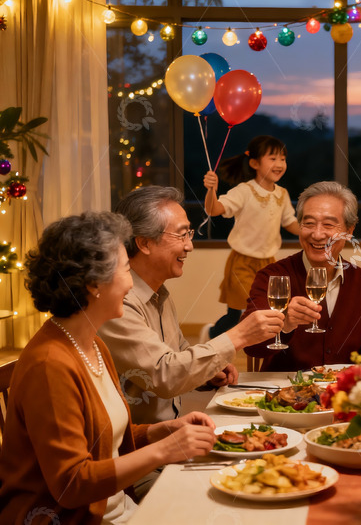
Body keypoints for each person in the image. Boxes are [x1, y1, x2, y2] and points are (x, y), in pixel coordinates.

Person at [0, 212, 217, 525]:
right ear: (93, 284)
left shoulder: (92, 343)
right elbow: (72, 485)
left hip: (117, 509)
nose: (132, 283)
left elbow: (105, 440)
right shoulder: (50, 365)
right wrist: (164, 451)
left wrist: (162, 431)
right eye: (126, 269)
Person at [97, 187, 283, 495]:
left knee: (260, 469)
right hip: (135, 462)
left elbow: (180, 353)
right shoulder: (120, 304)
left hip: (168, 442)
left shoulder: (159, 293)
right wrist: (237, 336)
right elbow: (165, 374)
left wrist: (209, 374)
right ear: (143, 243)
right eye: (181, 235)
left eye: (190, 234)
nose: (190, 246)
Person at [244, 181, 361, 371]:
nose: (317, 234)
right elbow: (251, 346)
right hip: (285, 394)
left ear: (349, 231)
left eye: (328, 225)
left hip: (343, 395)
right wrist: (286, 323)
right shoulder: (273, 277)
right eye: (308, 223)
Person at [202, 135, 300, 340]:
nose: (280, 163)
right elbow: (213, 209)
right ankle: (213, 335)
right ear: (254, 163)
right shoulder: (244, 191)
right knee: (244, 312)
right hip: (242, 263)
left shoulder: (282, 193)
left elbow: (289, 222)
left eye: (282, 158)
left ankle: (243, 345)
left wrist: (310, 232)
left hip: (268, 263)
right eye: (272, 158)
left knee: (255, 312)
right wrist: (211, 190)